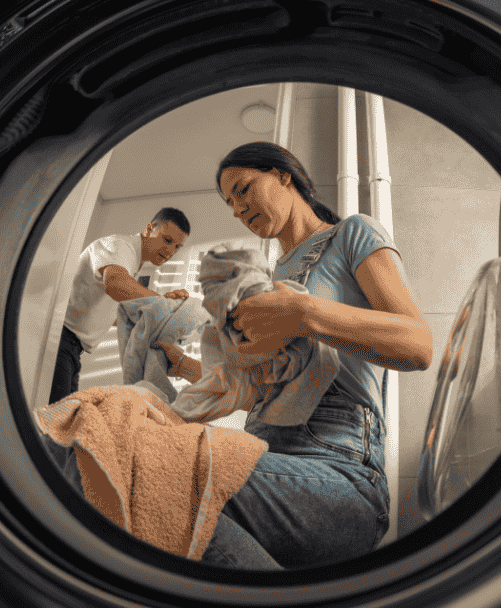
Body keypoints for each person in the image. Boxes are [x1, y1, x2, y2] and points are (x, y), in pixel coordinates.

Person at [153, 143, 433, 570]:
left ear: (284, 175)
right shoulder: (266, 278)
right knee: (146, 487)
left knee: (162, 464)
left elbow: (418, 346)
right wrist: (187, 367)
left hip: (339, 466)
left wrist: (305, 313)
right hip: (266, 449)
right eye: (230, 203)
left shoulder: (350, 234)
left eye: (244, 189)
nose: (236, 209)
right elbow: (267, 390)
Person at [48, 208, 192, 405]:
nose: (170, 251)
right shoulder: (120, 247)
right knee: (59, 422)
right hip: (59, 341)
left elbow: (115, 313)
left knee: (66, 420)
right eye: (167, 240)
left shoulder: (131, 263)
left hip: (72, 350)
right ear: (149, 229)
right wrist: (164, 304)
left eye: (177, 247)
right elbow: (115, 284)